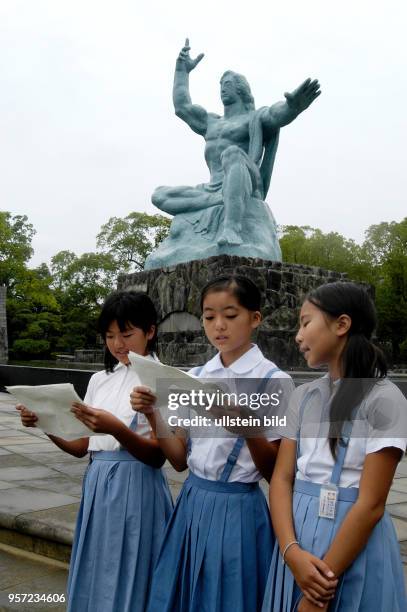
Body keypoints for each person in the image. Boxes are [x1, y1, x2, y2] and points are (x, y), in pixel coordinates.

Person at [131, 275, 294, 611]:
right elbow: (178, 460)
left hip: (239, 507)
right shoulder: (193, 377)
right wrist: (152, 415)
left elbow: (275, 472)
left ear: (255, 318)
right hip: (191, 501)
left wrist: (246, 427)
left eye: (230, 316)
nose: (219, 326)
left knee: (230, 597)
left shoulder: (275, 382)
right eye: (209, 316)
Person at [17, 290, 173, 612]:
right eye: (110, 336)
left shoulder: (163, 379)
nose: (118, 344)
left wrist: (117, 428)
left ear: (151, 331)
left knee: (134, 569)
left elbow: (160, 456)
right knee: (97, 567)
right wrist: (44, 424)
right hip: (98, 484)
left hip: (137, 486)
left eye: (127, 334)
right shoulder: (100, 379)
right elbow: (81, 447)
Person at [261, 281, 407, 612]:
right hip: (296, 535)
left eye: (305, 321)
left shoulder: (384, 398)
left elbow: (371, 503)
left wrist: (317, 591)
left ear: (342, 324)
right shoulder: (304, 396)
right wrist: (290, 552)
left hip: (353, 545)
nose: (298, 336)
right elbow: (282, 478)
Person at [152, 38, 320, 246]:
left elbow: (276, 115)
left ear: (241, 90)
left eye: (228, 85)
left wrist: (292, 108)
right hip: (212, 189)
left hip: (247, 180)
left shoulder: (254, 118)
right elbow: (182, 107)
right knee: (159, 195)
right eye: (221, 85)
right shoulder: (210, 123)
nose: (223, 88)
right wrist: (182, 72)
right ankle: (216, 200)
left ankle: (232, 229)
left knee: (232, 153)